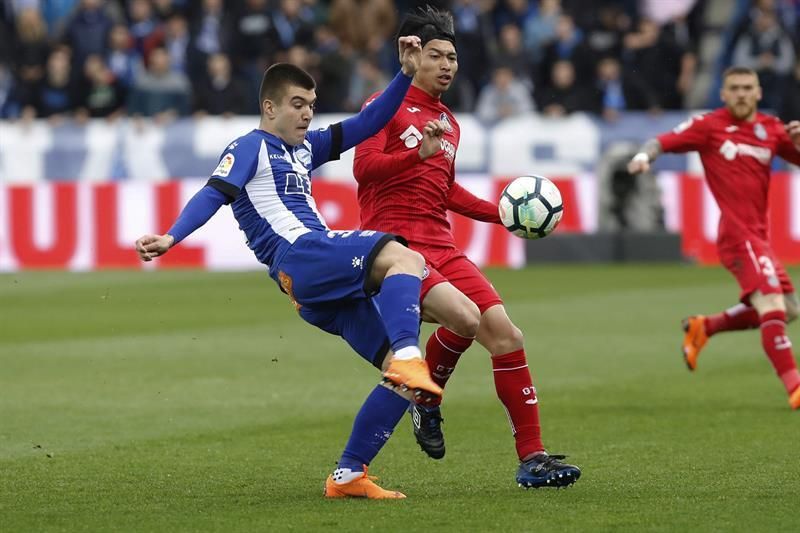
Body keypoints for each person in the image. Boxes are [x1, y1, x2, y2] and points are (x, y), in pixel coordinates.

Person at [135, 36, 444, 499]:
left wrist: (403, 73)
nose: (306, 114)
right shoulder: (250, 146)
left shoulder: (304, 150)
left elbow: (368, 122)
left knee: (405, 385)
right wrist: (172, 236)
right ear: (269, 107)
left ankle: (348, 476)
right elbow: (213, 194)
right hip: (304, 255)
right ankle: (409, 355)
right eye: (297, 104)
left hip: (309, 286)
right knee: (406, 258)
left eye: (311, 105)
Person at [353, 6, 581, 489]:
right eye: (436, 55)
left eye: (452, 57)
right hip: (396, 247)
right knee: (467, 319)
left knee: (506, 336)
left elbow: (445, 191)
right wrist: (417, 153)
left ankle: (532, 458)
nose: (446, 65)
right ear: (412, 55)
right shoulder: (384, 105)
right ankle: (418, 407)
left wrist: (497, 212)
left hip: (442, 243)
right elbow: (364, 170)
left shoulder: (450, 122)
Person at [627, 66, 800, 409]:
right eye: (734, 88)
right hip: (737, 235)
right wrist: (643, 156)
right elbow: (662, 140)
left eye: (747, 87)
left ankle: (705, 327)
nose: (741, 93)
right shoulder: (710, 126)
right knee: (774, 307)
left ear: (759, 93)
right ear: (723, 94)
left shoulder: (772, 129)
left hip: (759, 237)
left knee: (790, 309)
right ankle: (795, 386)